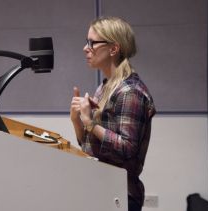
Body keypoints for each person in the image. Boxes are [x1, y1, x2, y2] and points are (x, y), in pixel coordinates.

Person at [70, 16, 156, 211]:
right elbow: (90, 146)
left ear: (113, 49)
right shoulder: (106, 86)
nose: (86, 48)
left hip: (121, 196)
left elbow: (126, 149)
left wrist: (90, 122)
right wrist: (77, 120)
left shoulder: (130, 91)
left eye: (92, 43)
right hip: (103, 189)